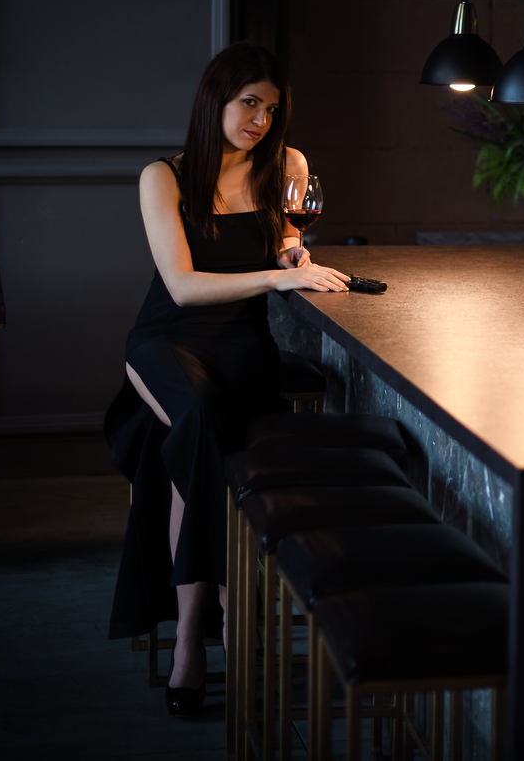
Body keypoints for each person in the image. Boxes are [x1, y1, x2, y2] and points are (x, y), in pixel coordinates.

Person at [103, 42, 349, 718]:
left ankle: (195, 626)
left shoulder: (288, 167)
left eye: (271, 108)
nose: (260, 120)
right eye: (249, 103)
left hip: (242, 348)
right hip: (164, 342)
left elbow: (287, 238)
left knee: (194, 437)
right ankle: (218, 615)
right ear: (215, 99)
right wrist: (282, 273)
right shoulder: (165, 176)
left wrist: (294, 248)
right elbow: (180, 287)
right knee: (201, 418)